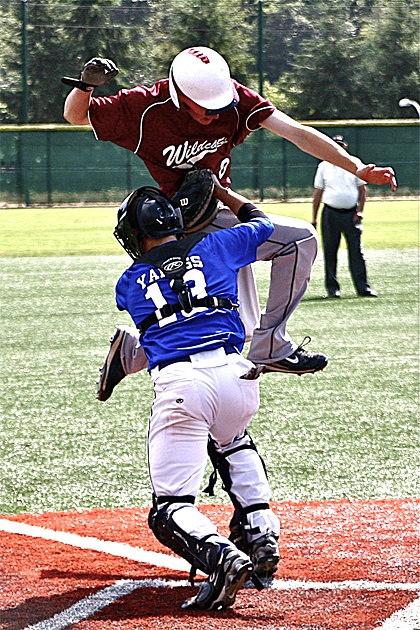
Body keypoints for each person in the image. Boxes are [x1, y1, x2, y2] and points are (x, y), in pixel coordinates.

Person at [62, 46, 396, 400]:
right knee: (298, 241)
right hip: (183, 225)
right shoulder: (146, 107)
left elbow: (296, 132)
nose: (211, 115)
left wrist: (356, 167)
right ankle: (270, 348)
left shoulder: (234, 99)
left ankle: (131, 354)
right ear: (177, 94)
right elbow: (76, 116)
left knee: (236, 328)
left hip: (219, 217)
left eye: (218, 107)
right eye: (202, 108)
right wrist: (85, 86)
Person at [112, 179, 280, 610]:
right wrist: (224, 194)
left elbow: (154, 312)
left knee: (168, 509)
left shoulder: (129, 281)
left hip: (182, 383)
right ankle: (261, 532)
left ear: (135, 234)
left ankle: (223, 558)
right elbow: (261, 222)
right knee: (233, 442)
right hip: (237, 375)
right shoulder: (217, 246)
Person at [312, 135, 378, 298]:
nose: (338, 148)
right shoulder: (324, 166)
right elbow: (318, 193)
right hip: (330, 213)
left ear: (345, 147)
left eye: (341, 145)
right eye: (335, 145)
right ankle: (332, 289)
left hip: (351, 214)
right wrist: (313, 217)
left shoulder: (354, 164)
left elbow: (362, 190)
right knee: (330, 251)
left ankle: (363, 288)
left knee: (356, 252)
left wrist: (360, 210)